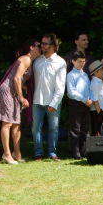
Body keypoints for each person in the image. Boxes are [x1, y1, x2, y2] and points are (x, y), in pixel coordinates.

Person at [0, 39, 37, 164]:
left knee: (16, 123)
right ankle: (6, 154)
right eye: (38, 46)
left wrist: (28, 90)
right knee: (7, 123)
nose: (41, 48)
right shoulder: (26, 59)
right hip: (8, 91)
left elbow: (20, 82)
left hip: (14, 92)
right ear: (32, 47)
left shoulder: (29, 61)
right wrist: (22, 97)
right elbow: (16, 78)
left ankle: (16, 153)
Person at [31, 33, 66, 161]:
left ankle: (52, 153)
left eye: (45, 43)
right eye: (41, 43)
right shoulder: (37, 61)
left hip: (52, 101)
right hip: (37, 100)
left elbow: (61, 86)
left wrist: (55, 102)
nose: (41, 45)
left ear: (52, 46)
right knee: (35, 128)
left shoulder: (60, 62)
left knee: (54, 128)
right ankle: (38, 153)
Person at [66, 51, 93, 159]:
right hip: (76, 103)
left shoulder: (85, 75)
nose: (82, 64)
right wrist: (84, 99)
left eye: (83, 61)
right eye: (79, 62)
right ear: (73, 61)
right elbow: (71, 92)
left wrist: (90, 99)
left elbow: (89, 88)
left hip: (86, 103)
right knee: (75, 128)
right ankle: (75, 152)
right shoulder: (70, 75)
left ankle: (84, 150)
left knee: (85, 128)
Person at [88, 60, 103, 136]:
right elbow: (95, 99)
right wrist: (99, 111)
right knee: (97, 129)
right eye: (101, 71)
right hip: (97, 110)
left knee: (100, 128)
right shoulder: (95, 83)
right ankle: (96, 142)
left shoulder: (98, 81)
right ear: (95, 72)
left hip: (100, 109)